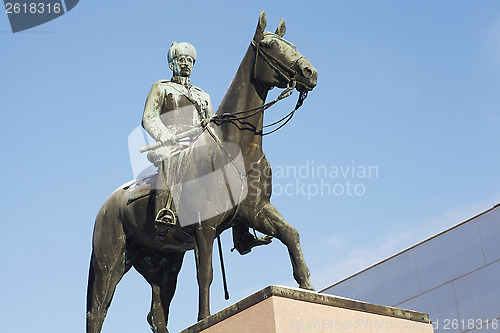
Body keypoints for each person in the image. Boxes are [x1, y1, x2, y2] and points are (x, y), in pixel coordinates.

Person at [142, 42, 271, 254]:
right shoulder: (162, 87)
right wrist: (165, 135)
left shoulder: (203, 95)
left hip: (199, 144)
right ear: (172, 63)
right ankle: (164, 213)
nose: (186, 64)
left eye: (190, 61)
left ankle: (242, 233)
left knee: (233, 170)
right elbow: (149, 117)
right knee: (173, 161)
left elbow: (212, 124)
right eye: (182, 60)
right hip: (173, 145)